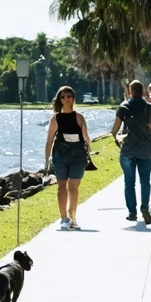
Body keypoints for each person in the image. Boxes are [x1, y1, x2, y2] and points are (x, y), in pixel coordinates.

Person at [111, 79, 151, 224]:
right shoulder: (149, 108)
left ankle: (132, 212)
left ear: (130, 91)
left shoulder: (124, 107)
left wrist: (118, 139)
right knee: (145, 181)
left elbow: (114, 130)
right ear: (143, 91)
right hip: (147, 150)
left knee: (129, 182)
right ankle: (145, 207)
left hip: (128, 150)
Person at [44, 85, 94, 230]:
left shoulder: (79, 117)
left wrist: (89, 152)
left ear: (73, 98)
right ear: (60, 99)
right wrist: (47, 160)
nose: (67, 99)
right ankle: (63, 218)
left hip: (78, 155)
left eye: (69, 96)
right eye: (63, 97)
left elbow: (86, 137)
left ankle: (73, 218)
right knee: (61, 186)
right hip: (60, 154)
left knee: (73, 186)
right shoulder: (56, 119)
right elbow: (49, 140)